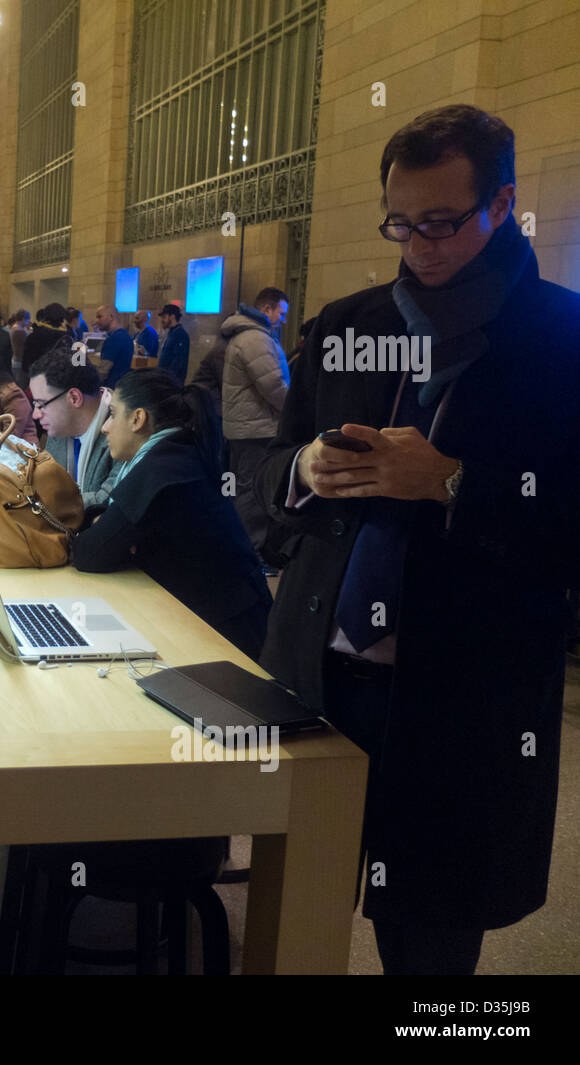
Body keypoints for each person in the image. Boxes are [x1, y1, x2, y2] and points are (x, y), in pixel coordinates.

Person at [255, 104, 580, 974]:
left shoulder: (560, 341)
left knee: (430, 950)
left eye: (443, 223)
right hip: (318, 676)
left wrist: (450, 483)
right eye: (402, 223)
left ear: (503, 204)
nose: (420, 246)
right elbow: (266, 477)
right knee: (290, 916)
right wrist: (303, 469)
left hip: (460, 702)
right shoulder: (350, 322)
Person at [73, 370, 271, 661]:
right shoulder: (176, 452)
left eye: (113, 414)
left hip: (229, 642)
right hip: (225, 620)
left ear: (138, 419)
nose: (105, 427)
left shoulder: (160, 470)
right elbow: (111, 526)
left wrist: (101, 532)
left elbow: (89, 554)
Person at [221, 286, 291, 555]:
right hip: (256, 428)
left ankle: (246, 548)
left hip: (247, 426)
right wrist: (294, 409)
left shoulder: (250, 336)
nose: (283, 319)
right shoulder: (255, 339)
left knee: (246, 488)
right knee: (252, 491)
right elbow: (273, 386)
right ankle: (252, 551)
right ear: (267, 310)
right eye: (281, 313)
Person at [28, 346, 121, 507]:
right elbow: (49, 484)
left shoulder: (123, 432)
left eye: (41, 405)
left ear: (74, 398)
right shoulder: (59, 428)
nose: (35, 415)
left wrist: (37, 504)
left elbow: (105, 502)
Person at [22, 302, 71, 380]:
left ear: (45, 316)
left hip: (37, 378)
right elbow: (76, 364)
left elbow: (25, 364)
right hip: (60, 380)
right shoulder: (68, 337)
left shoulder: (34, 335)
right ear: (63, 318)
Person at [92, 304, 134, 387]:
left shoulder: (114, 338)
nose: (96, 321)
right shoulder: (125, 335)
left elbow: (103, 372)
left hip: (111, 389)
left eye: (99, 317)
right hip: (121, 387)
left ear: (111, 317)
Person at [157, 303, 190, 383]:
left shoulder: (180, 334)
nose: (162, 320)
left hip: (171, 383)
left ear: (172, 317)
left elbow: (178, 363)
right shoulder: (171, 333)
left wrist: (168, 380)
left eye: (164, 317)